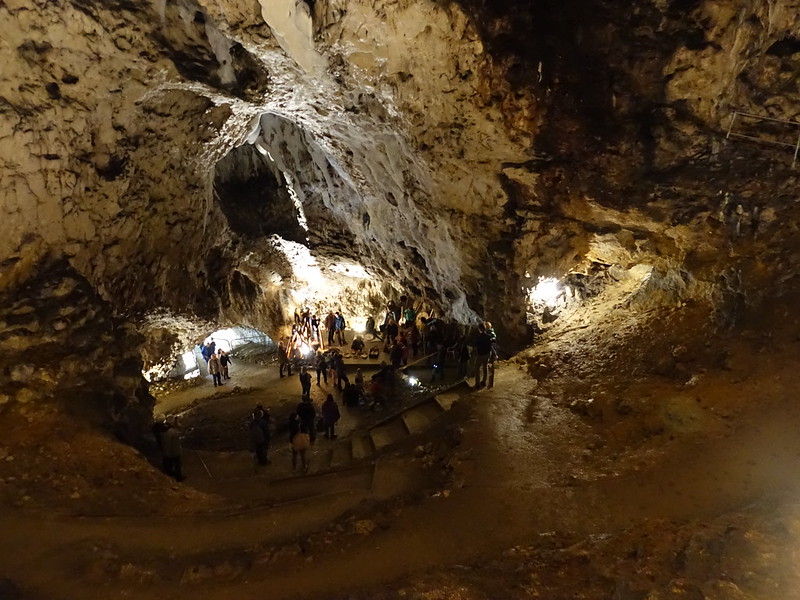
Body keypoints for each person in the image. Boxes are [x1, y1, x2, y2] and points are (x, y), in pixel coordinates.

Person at [162, 415, 185, 481]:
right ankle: (179, 477)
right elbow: (180, 432)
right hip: (174, 451)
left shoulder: (163, 429)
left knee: (170, 464)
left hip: (168, 450)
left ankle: (170, 474)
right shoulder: (171, 431)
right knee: (177, 465)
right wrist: (177, 424)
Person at [474, 322, 493, 388]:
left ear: (479, 329)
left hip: (481, 354)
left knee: (477, 367)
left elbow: (476, 345)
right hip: (487, 354)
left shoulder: (479, 337)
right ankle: (484, 381)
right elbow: (491, 345)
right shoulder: (488, 336)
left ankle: (477, 383)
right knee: (485, 366)